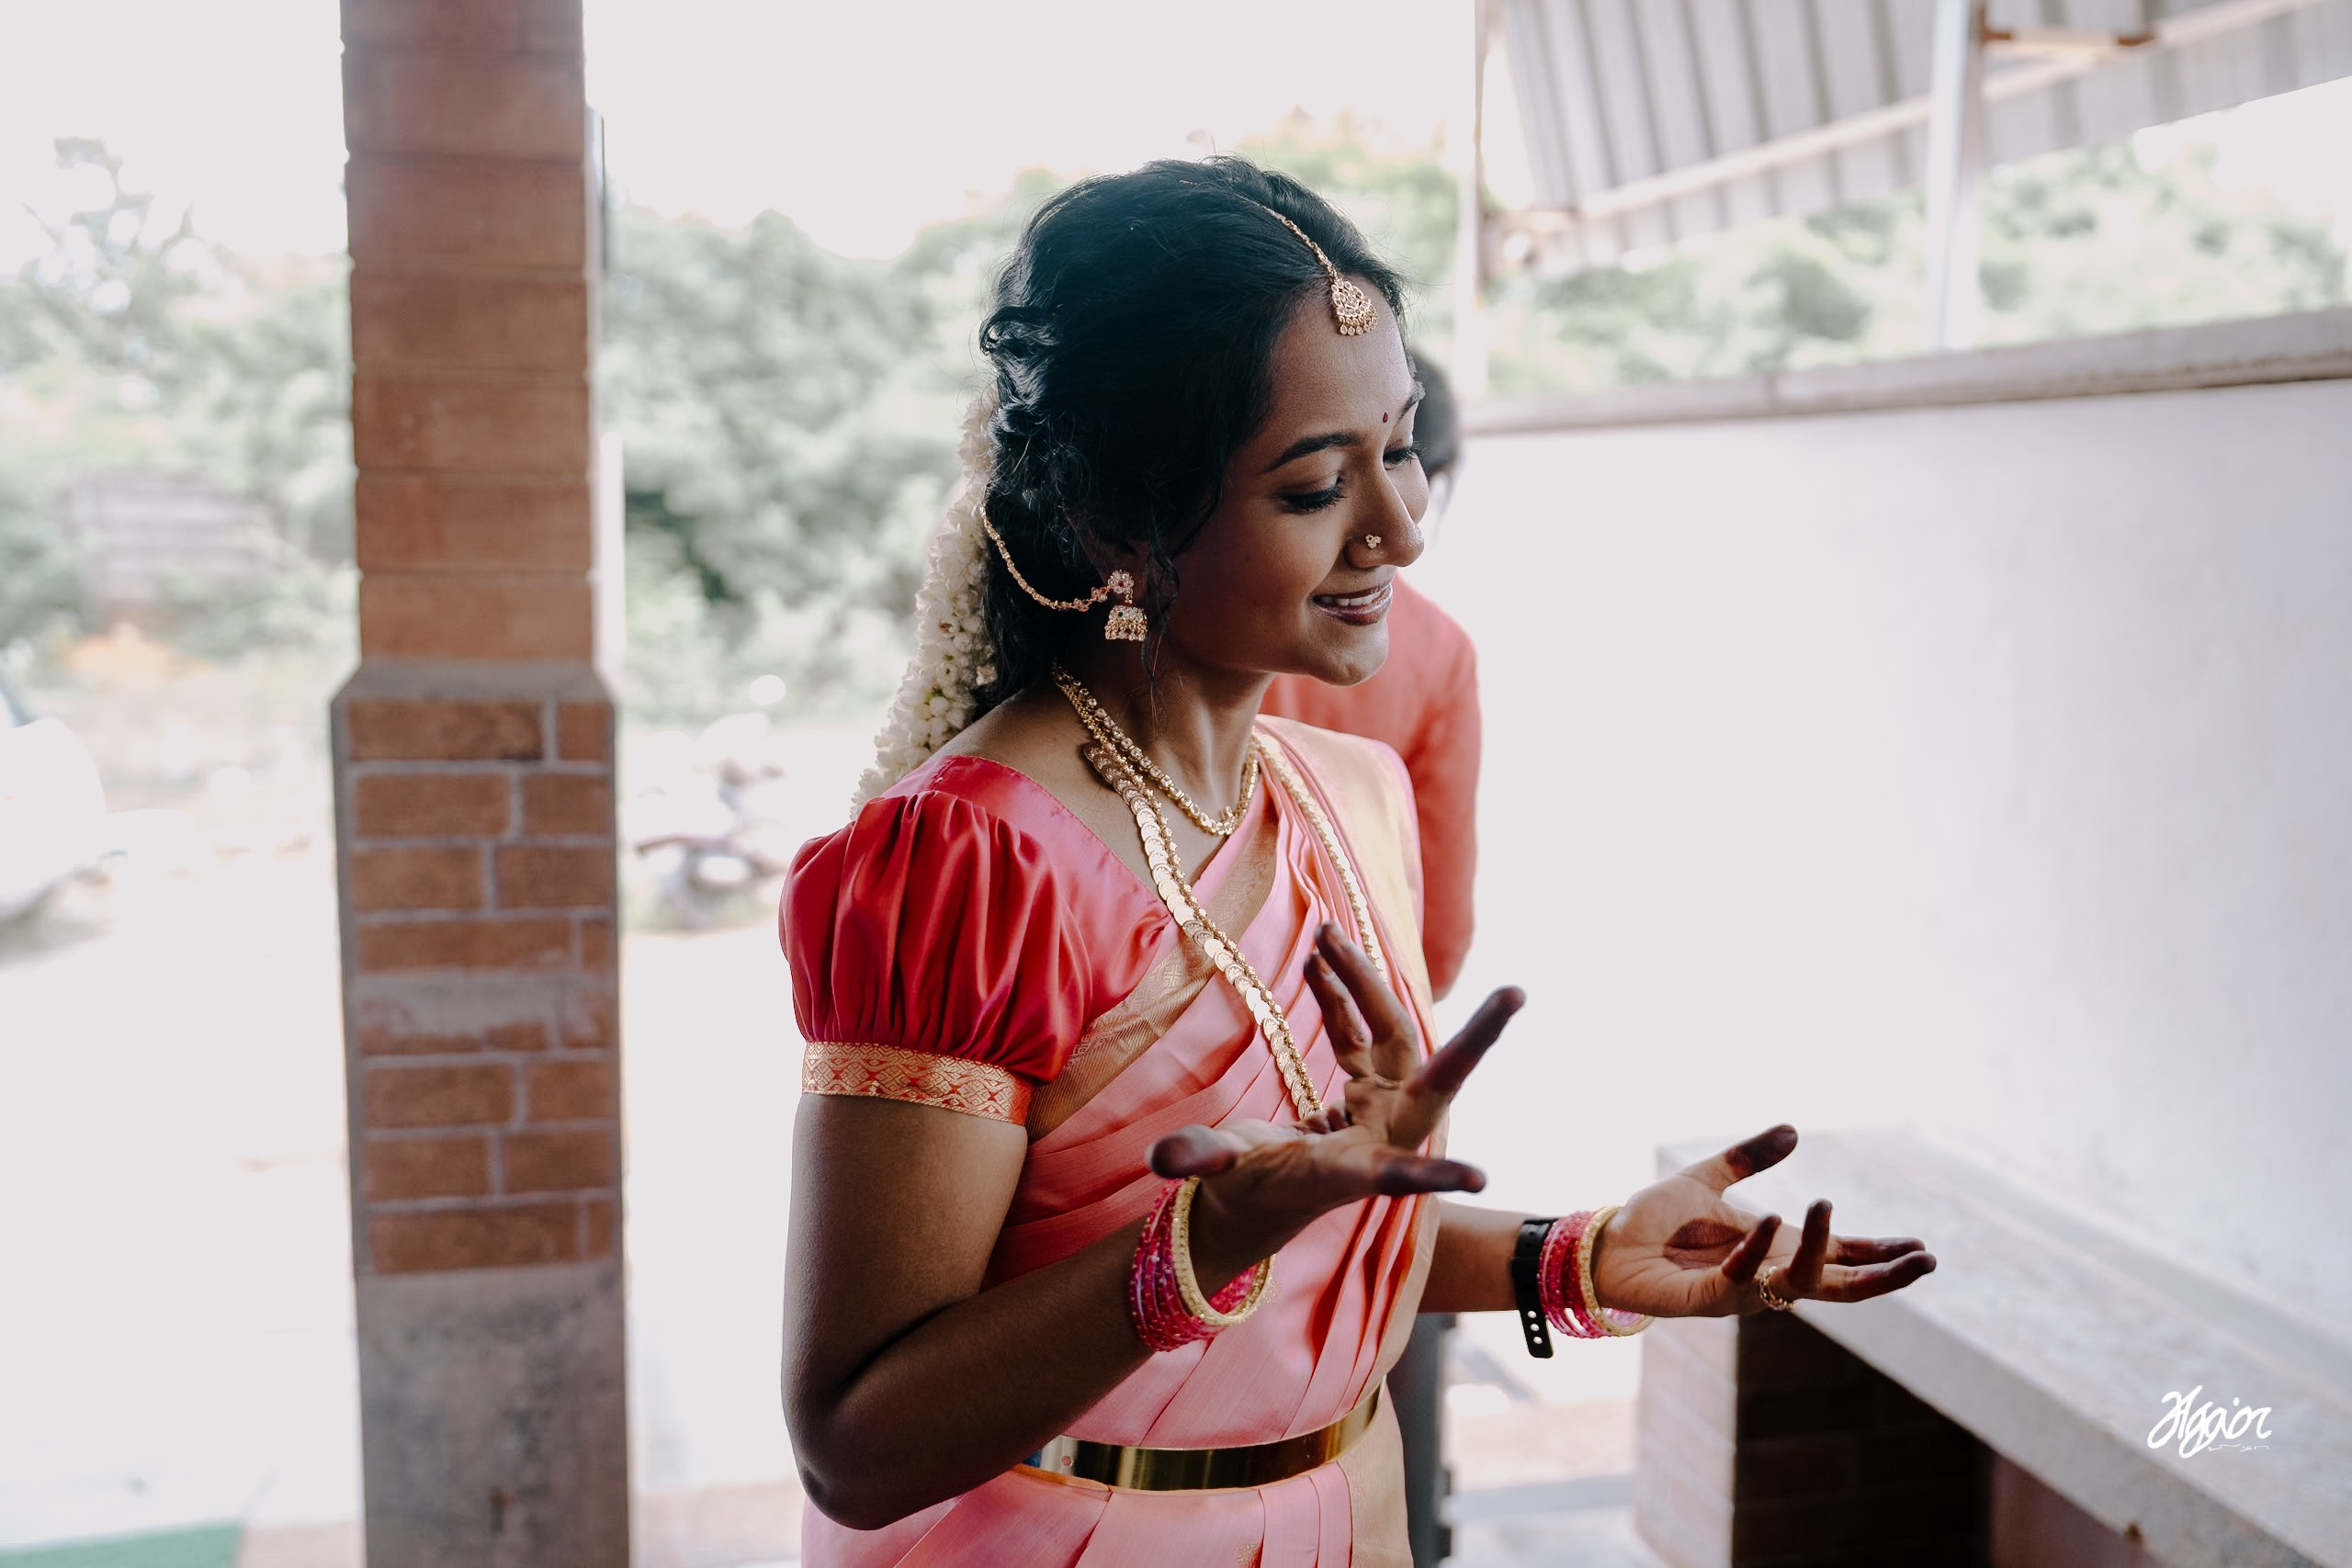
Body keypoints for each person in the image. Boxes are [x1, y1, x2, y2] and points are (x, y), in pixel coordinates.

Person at [779, 157, 1935, 1566]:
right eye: (1319, 481)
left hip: (1352, 1516)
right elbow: (857, 1438)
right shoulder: (971, 860)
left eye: (1400, 451)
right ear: (1119, 527)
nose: (1399, 527)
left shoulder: (1349, 794)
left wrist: (1568, 1255)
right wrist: (1201, 1241)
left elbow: (1318, 1225)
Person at [1261, 359, 1476, 1002]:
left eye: (1401, 452)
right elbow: (1434, 946)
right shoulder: (1437, 652)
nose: (1400, 540)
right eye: (1318, 484)